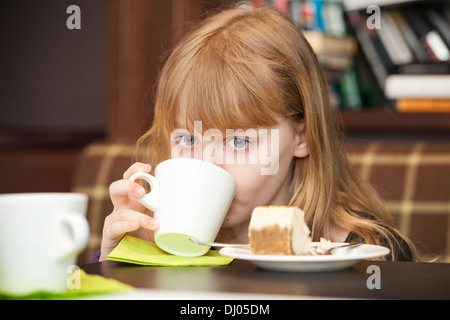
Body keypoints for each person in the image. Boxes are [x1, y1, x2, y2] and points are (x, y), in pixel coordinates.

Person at [97, 5, 417, 262]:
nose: (209, 164)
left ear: (302, 138)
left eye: (238, 141)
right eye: (188, 139)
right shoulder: (156, 242)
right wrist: (118, 265)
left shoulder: (367, 255)